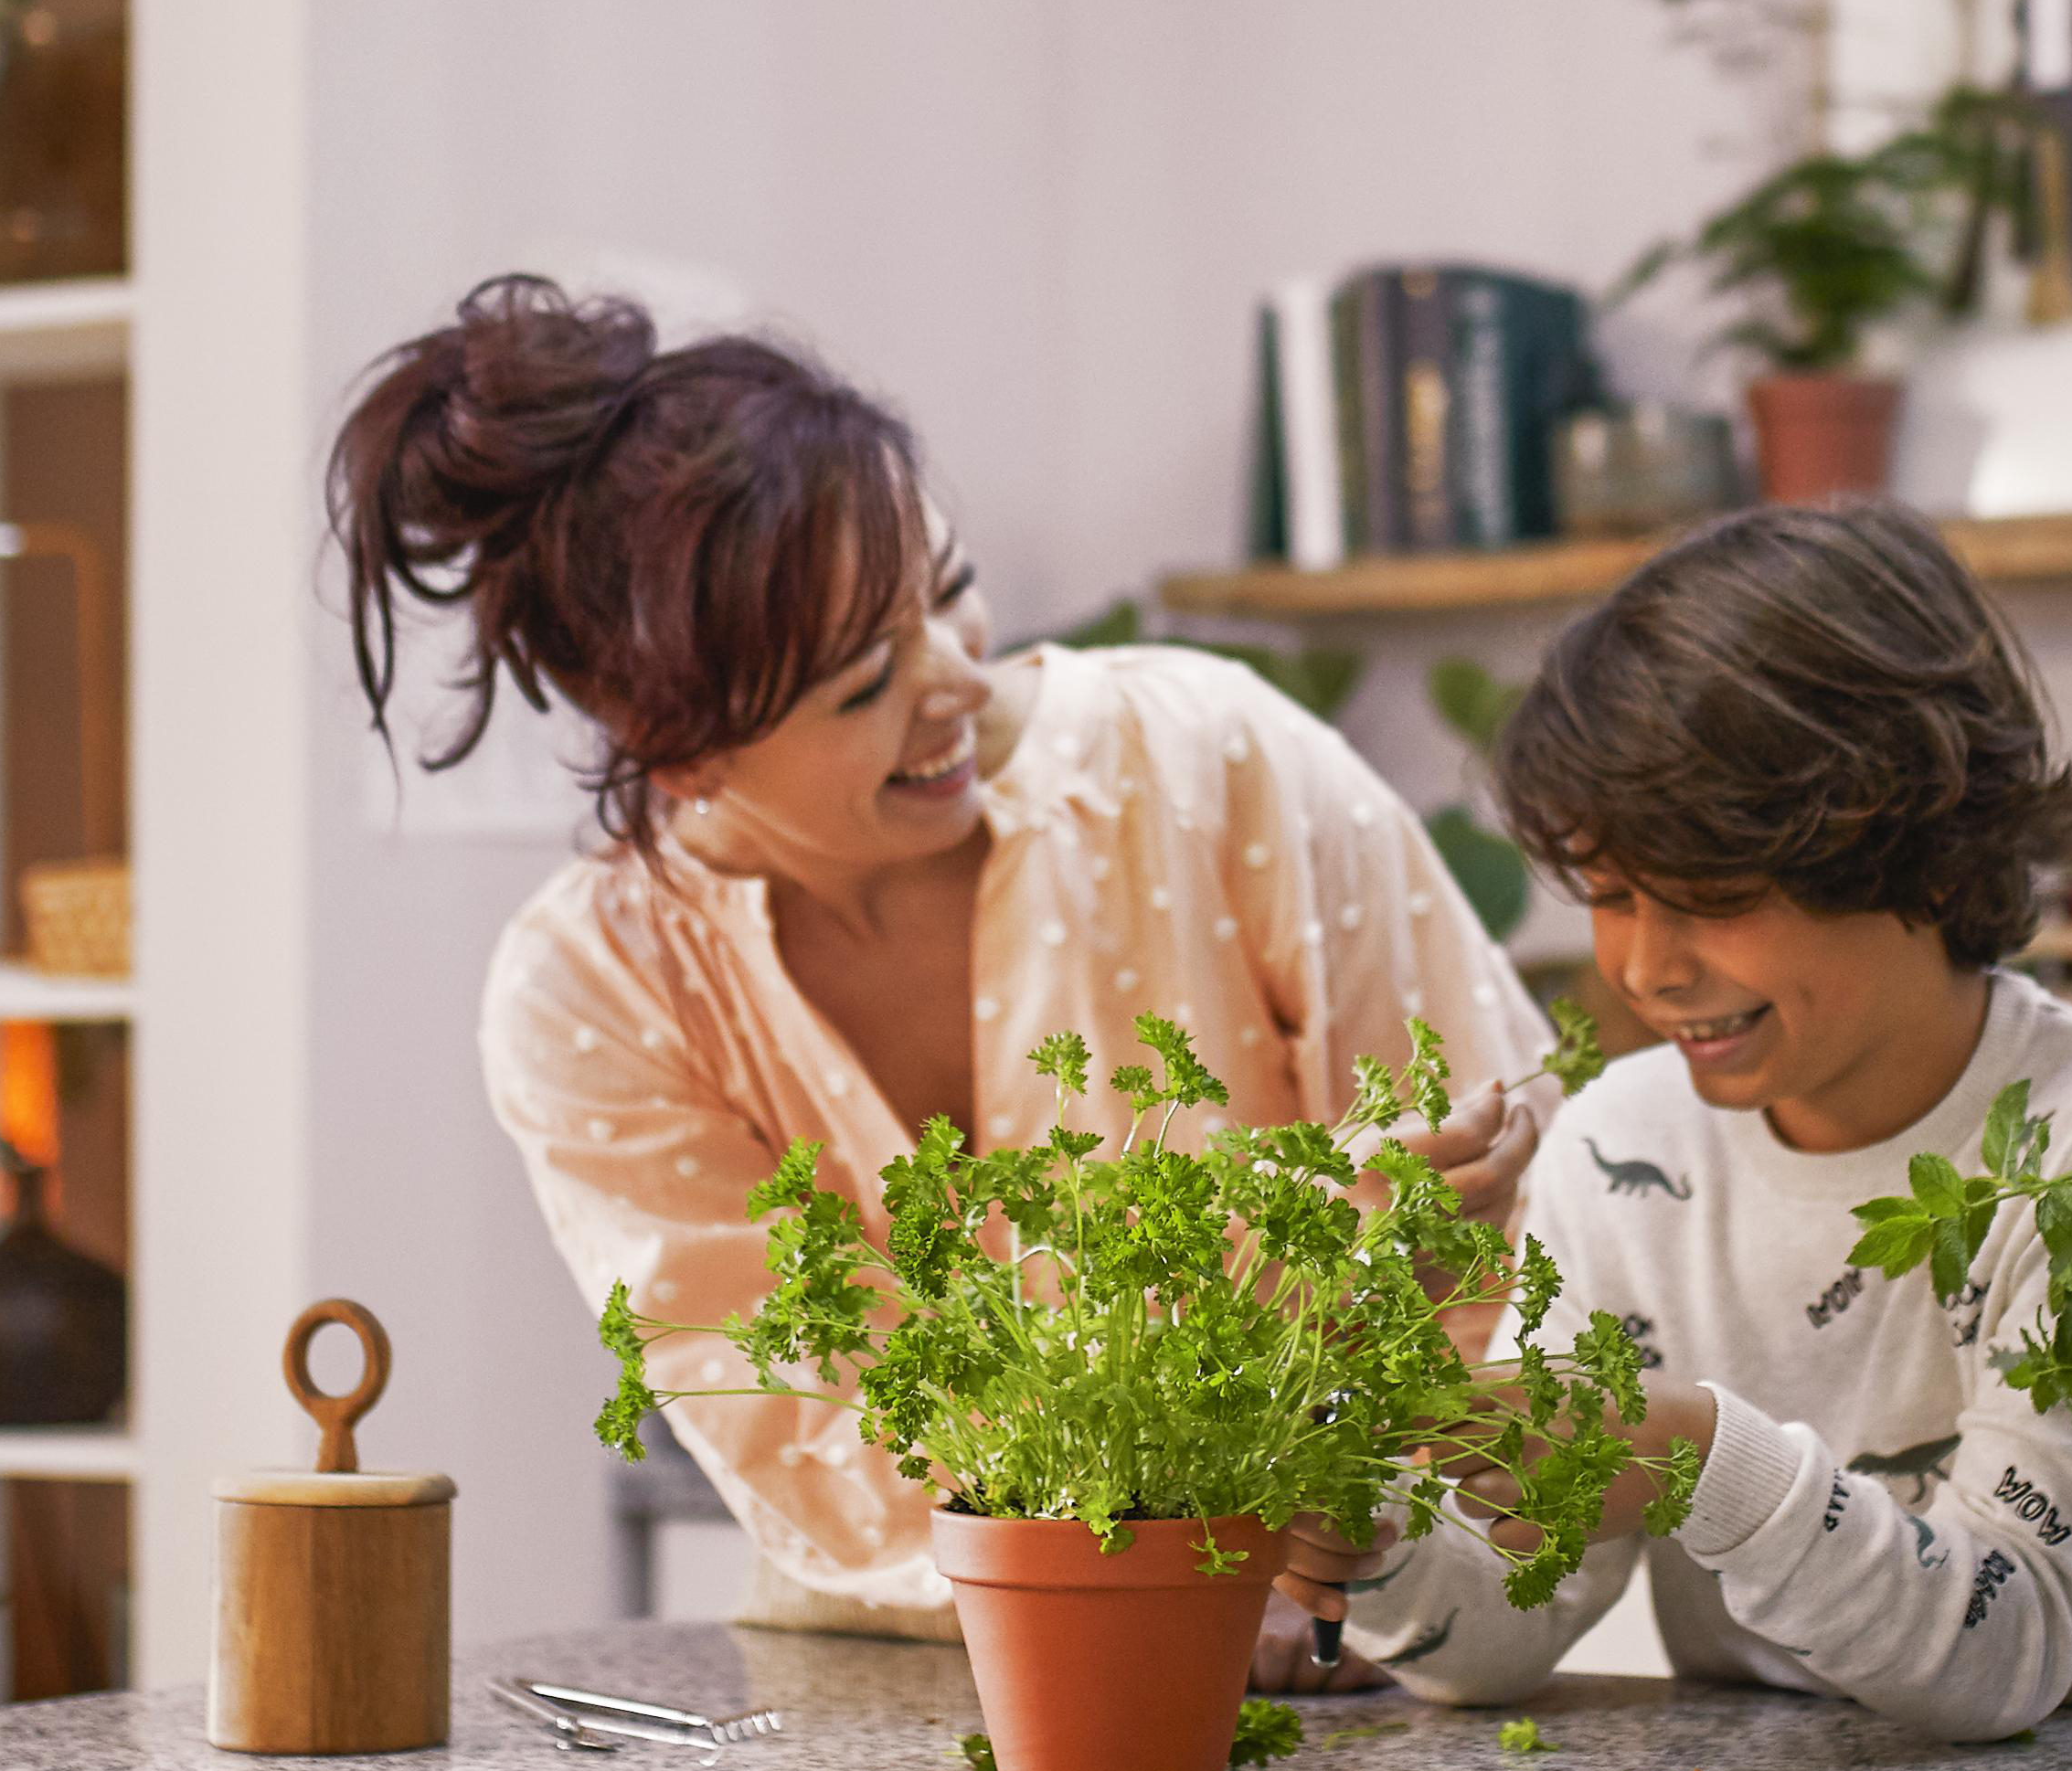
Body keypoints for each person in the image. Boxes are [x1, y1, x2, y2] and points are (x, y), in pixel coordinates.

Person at [336, 278, 1551, 1666]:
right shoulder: (594, 990)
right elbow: (790, 1415)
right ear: (680, 752)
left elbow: (1526, 1207)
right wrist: (1171, 1589)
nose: (959, 680)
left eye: (950, 591)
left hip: (1357, 1647)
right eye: (865, 683)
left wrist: (1367, 1523)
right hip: (900, 1691)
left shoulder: (1208, 763)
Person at [1294, 504, 2072, 1740]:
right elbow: (1506, 1628)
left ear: (1920, 848)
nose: (1647, 968)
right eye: (1607, 895)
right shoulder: (1625, 1144)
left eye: (1710, 897)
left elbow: (2003, 1654)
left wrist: (1692, 1458)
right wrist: (1373, 1534)